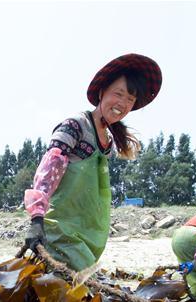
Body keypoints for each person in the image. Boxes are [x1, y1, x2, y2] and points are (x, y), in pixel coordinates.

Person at [22, 54, 162, 271]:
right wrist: (37, 220)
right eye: (118, 94)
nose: (123, 104)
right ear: (101, 91)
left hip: (88, 236)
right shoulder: (75, 126)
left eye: (130, 100)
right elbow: (48, 170)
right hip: (61, 231)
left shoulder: (107, 141)